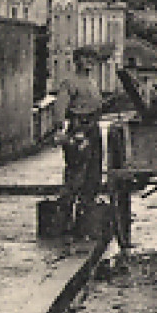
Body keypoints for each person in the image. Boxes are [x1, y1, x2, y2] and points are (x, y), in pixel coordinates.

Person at [58, 52, 106, 236]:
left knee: (93, 175)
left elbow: (97, 106)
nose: (89, 63)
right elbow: (60, 108)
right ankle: (65, 222)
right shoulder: (69, 83)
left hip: (93, 130)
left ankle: (84, 223)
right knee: (76, 174)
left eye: (91, 60)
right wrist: (61, 131)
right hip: (78, 130)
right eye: (86, 59)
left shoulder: (93, 84)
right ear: (76, 61)